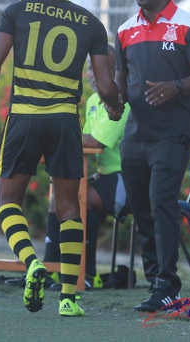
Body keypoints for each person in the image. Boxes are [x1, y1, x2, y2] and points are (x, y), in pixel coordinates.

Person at [0, 0, 121, 317]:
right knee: (69, 208)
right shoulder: (91, 24)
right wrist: (114, 108)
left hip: (24, 118)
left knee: (8, 202)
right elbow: (104, 82)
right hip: (65, 123)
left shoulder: (17, 11)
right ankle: (68, 298)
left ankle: (31, 263)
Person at [115, 0, 190, 312]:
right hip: (136, 135)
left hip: (173, 134)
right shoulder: (126, 29)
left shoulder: (189, 25)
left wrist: (174, 87)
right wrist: (114, 99)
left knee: (162, 204)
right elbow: (122, 79)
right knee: (140, 208)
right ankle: (155, 278)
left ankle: (167, 284)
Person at [43, 45, 131, 289]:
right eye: (91, 68)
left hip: (128, 179)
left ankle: (85, 275)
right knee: (59, 193)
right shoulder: (93, 100)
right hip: (104, 177)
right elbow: (82, 144)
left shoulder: (121, 99)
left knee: (78, 198)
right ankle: (52, 269)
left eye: (101, 69)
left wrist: (53, 136)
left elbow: (96, 142)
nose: (93, 74)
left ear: (116, 72)